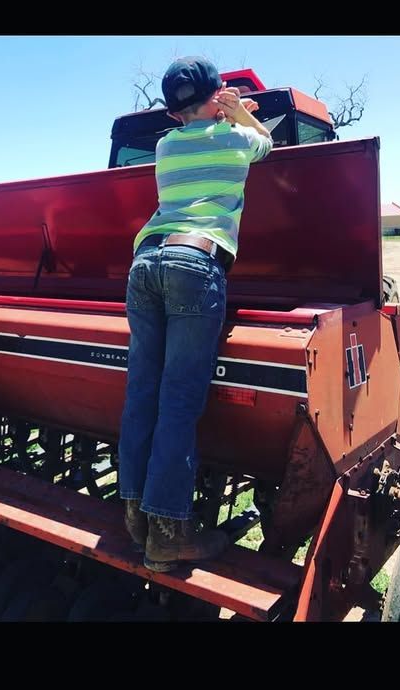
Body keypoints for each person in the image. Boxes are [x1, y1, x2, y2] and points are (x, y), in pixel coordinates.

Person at [118, 56, 273, 572]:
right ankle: (167, 536)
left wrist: (219, 110)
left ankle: (135, 516)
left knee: (142, 391)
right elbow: (269, 146)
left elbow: (199, 129)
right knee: (179, 402)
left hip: (145, 262)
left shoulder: (164, 146)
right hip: (195, 261)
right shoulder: (234, 140)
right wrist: (240, 116)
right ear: (214, 96)